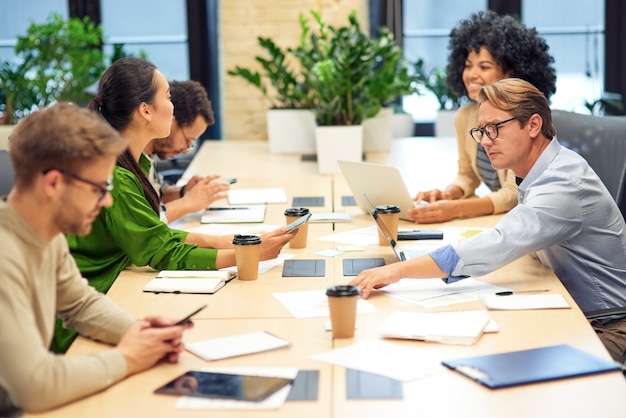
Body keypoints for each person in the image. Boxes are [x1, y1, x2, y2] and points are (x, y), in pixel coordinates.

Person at [351, 78, 626, 362]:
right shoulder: (540, 171)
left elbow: (500, 242)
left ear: (533, 125)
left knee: (499, 360)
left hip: (608, 327)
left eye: (495, 128)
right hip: (576, 310)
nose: (484, 141)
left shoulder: (563, 182)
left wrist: (397, 271)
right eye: (481, 131)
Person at [57, 57, 295, 352]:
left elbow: (160, 235)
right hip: (83, 315)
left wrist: (242, 242)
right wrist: (247, 254)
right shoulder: (115, 175)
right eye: (167, 96)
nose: (172, 106)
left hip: (104, 297)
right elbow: (161, 250)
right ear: (145, 110)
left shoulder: (133, 161)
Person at [0, 103, 191, 414]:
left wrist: (136, 332)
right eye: (99, 188)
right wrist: (128, 358)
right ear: (53, 184)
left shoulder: (47, 235)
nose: (108, 201)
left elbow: (79, 304)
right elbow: (33, 386)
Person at [410, 10, 556, 224]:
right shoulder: (465, 116)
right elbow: (467, 175)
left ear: (510, 74)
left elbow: (512, 195)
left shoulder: (524, 118)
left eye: (484, 66)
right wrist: (447, 195)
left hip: (534, 223)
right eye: (468, 65)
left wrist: (454, 209)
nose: (472, 74)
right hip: (501, 222)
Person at [145, 80, 229, 223]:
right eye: (188, 140)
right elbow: (142, 222)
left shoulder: (149, 155)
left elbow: (154, 196)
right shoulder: (129, 160)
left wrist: (184, 191)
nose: (185, 151)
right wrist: (188, 203)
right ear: (171, 121)